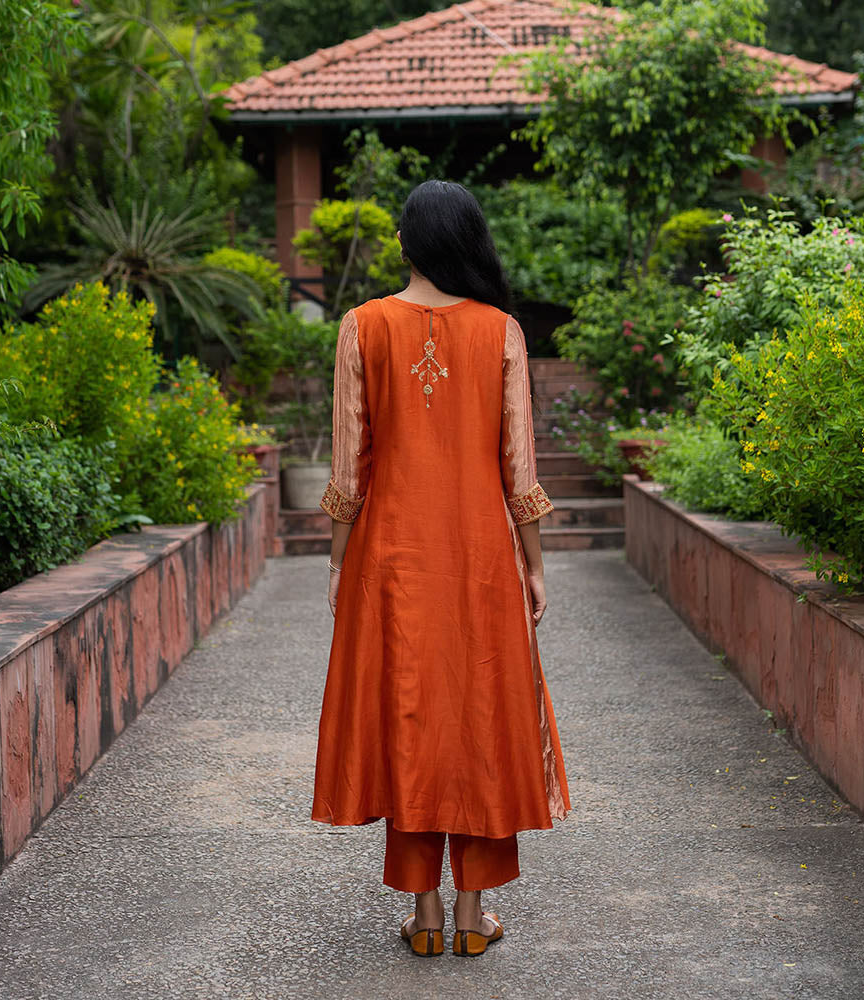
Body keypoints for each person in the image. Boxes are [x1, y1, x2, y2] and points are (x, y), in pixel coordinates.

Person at [311, 179, 571, 958]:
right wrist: (535, 567)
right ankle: (471, 915)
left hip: (389, 562)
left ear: (404, 244)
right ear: (471, 244)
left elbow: (349, 470)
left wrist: (336, 560)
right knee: (480, 717)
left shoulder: (362, 327)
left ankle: (423, 916)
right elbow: (517, 469)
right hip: (480, 561)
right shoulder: (502, 333)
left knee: (408, 719)